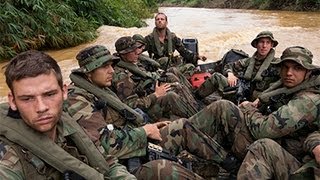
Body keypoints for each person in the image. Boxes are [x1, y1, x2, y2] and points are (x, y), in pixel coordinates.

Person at [66, 45, 237, 179]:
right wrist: (144, 131)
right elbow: (105, 144)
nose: (111, 70)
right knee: (170, 169)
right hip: (121, 163)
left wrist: (149, 126)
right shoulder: (78, 100)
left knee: (182, 126)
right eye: (104, 66)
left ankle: (231, 164)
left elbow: (118, 122)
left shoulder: (100, 89)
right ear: (88, 73)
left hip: (134, 144)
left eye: (111, 65)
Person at [0, 50, 136, 179]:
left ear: (64, 92)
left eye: (49, 94)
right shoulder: (7, 161)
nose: (41, 108)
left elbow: (108, 163)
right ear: (12, 101)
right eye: (27, 99)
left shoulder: (68, 126)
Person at [187, 46, 320, 174]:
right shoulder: (258, 66)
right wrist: (231, 75)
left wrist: (249, 108)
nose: (289, 73)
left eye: (297, 68)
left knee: (223, 109)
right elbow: (231, 66)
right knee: (223, 106)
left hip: (277, 152)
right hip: (271, 135)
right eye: (285, 67)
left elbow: (263, 130)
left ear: (308, 72)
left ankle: (186, 134)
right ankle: (188, 131)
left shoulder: (306, 100)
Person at [112, 36, 199, 120]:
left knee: (175, 84)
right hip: (143, 111)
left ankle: (195, 107)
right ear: (123, 54)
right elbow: (131, 105)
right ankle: (197, 119)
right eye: (132, 51)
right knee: (171, 95)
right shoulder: (121, 76)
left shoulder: (131, 62)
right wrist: (156, 95)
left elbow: (144, 75)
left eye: (136, 49)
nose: (137, 52)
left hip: (147, 93)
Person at [195, 30, 280, 104]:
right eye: (261, 42)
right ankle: (195, 98)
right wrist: (230, 74)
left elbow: (282, 85)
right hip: (242, 93)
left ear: (271, 45)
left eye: (268, 42)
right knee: (216, 77)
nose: (264, 46)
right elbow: (229, 66)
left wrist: (261, 99)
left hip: (260, 101)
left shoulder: (277, 64)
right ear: (256, 44)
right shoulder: (248, 61)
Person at [145, 12, 206, 78]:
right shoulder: (149, 38)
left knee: (190, 66)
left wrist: (197, 57)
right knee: (165, 60)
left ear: (166, 22)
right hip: (157, 68)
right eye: (157, 19)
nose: (160, 21)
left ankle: (176, 77)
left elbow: (183, 51)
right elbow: (138, 51)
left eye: (162, 19)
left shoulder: (172, 37)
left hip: (171, 66)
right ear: (155, 22)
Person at [237, 133, 320, 179]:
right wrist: (316, 145)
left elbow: (263, 129)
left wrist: (249, 109)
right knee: (264, 148)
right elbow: (314, 135)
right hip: (304, 173)